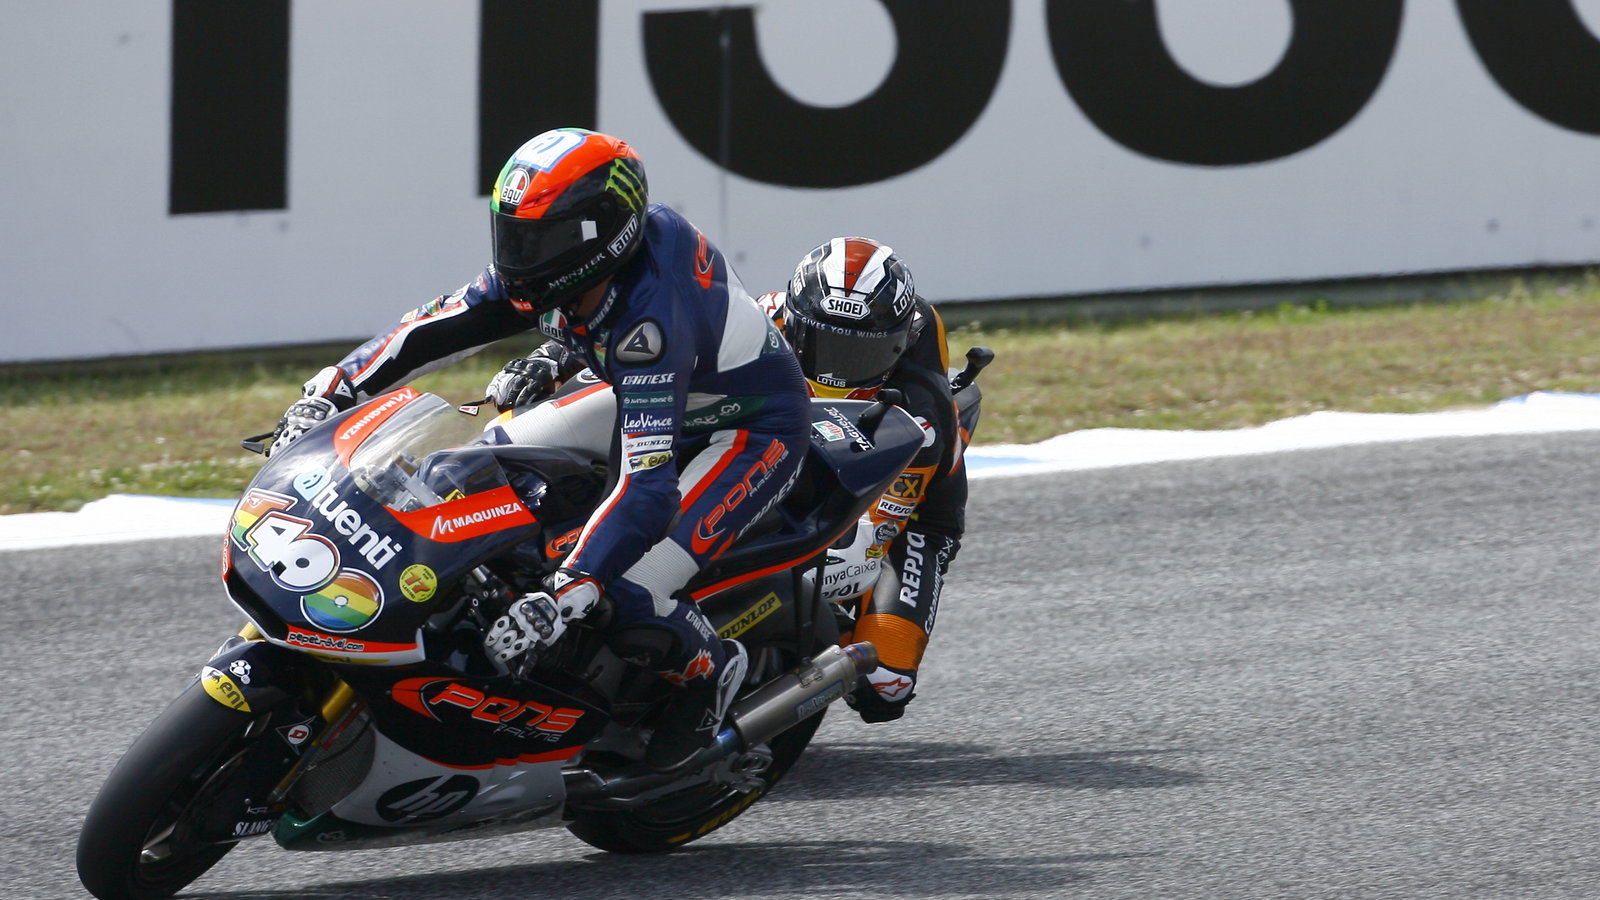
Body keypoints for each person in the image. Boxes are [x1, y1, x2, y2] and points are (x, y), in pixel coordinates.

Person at [267, 127, 811, 772]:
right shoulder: (582, 266)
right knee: (464, 468)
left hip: (746, 431)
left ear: (602, 235)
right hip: (647, 393)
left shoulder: (650, 322)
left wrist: (566, 591)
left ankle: (708, 679)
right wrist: (331, 390)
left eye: (541, 240)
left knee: (633, 589)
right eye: (512, 234)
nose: (519, 255)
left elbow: (647, 486)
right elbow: (433, 329)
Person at [760, 236, 968, 723]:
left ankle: (827, 646)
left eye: (858, 353)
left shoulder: (919, 414)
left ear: (896, 346)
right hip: (792, 441)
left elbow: (870, 537)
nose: (835, 367)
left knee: (885, 685)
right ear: (791, 321)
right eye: (824, 344)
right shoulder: (760, 320)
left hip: (912, 521)